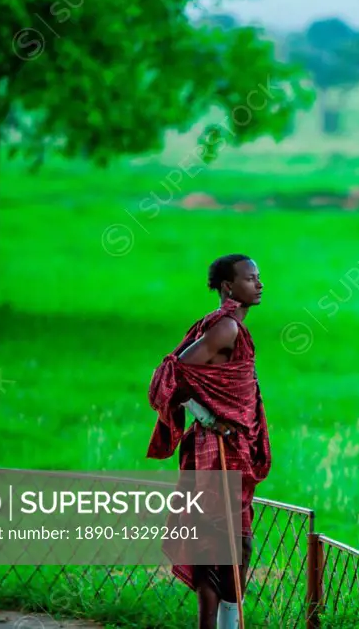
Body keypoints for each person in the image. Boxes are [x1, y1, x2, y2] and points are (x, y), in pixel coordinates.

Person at [145, 254, 272, 629]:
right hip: (216, 449)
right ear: (228, 287)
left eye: (259, 278)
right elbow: (174, 373)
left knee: (220, 541)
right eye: (251, 279)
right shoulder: (226, 328)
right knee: (226, 543)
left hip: (230, 447)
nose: (259, 284)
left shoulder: (230, 327)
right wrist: (205, 415)